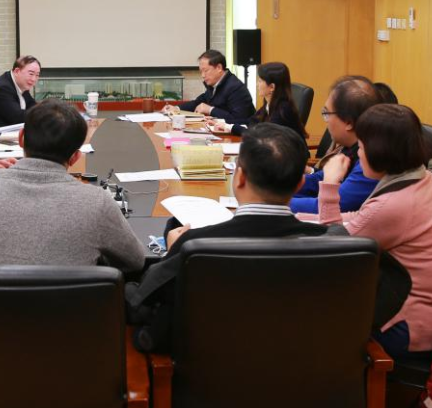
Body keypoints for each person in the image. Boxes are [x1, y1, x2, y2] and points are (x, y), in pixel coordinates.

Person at [127, 123, 329, 353]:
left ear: (239, 177)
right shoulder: (329, 243)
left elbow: (143, 299)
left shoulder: (195, 246)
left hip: (206, 366)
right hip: (300, 364)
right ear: (300, 184)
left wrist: (171, 253)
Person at [0, 99, 146, 272]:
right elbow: (135, 261)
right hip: (68, 318)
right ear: (75, 157)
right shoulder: (97, 202)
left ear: (21, 138)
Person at [317, 103, 432, 356]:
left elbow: (334, 251)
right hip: (427, 309)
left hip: (408, 324)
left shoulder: (395, 204)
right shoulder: (422, 178)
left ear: (379, 151)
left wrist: (330, 183)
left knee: (310, 308)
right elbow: (361, 219)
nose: (358, 154)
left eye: (361, 147)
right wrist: (298, 217)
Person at [290, 76, 380, 214]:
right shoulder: (351, 148)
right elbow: (319, 180)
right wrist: (276, 185)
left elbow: (329, 207)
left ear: (349, 122)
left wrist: (271, 201)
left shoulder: (373, 159)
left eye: (326, 113)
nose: (326, 120)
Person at [210, 61, 307, 141]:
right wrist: (221, 121)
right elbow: (251, 121)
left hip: (291, 155)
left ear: (272, 87)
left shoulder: (283, 109)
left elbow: (261, 136)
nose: (257, 84)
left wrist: (230, 127)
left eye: (260, 81)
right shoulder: (269, 104)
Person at [165, 49, 255, 123]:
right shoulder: (215, 84)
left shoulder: (235, 88)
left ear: (219, 68)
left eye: (206, 71)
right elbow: (198, 102)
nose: (203, 75)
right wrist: (176, 108)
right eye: (201, 71)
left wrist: (210, 110)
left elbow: (239, 119)